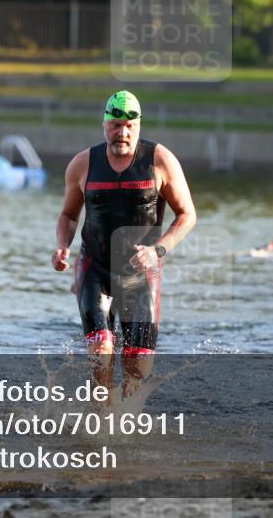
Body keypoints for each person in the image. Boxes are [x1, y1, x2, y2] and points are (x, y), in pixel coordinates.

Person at [52, 91, 196, 403]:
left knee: (137, 366)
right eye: (116, 125)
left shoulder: (160, 160)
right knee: (101, 351)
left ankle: (126, 418)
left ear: (139, 126)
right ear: (104, 124)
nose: (123, 133)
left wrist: (157, 250)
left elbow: (187, 215)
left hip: (140, 275)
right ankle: (102, 419)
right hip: (96, 268)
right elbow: (68, 215)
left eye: (130, 126)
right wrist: (63, 245)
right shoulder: (82, 164)